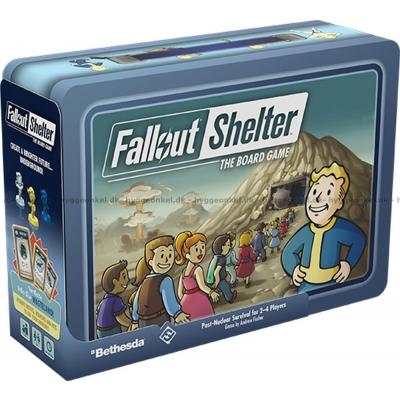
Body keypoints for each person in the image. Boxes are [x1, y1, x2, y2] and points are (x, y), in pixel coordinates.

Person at [281, 162, 366, 293]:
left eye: (328, 192)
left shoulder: (339, 229)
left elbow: (358, 239)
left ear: (338, 203)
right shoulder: (305, 232)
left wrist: (348, 263)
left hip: (331, 284)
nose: (317, 199)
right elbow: (288, 252)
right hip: (305, 286)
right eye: (315, 191)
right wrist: (294, 268)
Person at [130, 236, 189, 329]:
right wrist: (177, 313)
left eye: (170, 255)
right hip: (159, 320)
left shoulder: (144, 282)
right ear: (150, 262)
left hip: (142, 323)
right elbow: (169, 301)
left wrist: (135, 321)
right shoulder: (165, 280)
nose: (166, 260)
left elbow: (136, 304)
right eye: (162, 256)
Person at [175, 231, 219, 320]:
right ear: (187, 255)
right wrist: (211, 293)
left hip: (186, 302)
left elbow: (180, 293)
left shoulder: (183, 272)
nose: (201, 252)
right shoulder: (197, 269)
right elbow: (202, 286)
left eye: (202, 247)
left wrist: (185, 301)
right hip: (199, 299)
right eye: (196, 249)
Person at [96, 260, 132, 338]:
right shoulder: (116, 300)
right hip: (111, 331)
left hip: (99, 332)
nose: (128, 280)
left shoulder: (104, 301)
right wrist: (133, 324)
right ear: (115, 282)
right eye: (124, 277)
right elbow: (121, 319)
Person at [206, 234, 237, 303]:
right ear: (222, 247)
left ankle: (208, 299)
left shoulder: (216, 256)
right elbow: (216, 272)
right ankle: (230, 298)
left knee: (212, 289)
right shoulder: (222, 259)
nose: (229, 247)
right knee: (226, 288)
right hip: (219, 280)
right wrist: (217, 282)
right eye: (228, 245)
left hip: (210, 280)